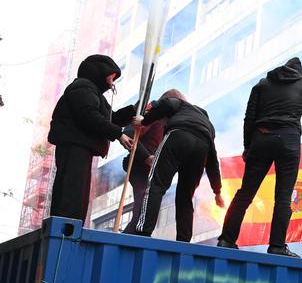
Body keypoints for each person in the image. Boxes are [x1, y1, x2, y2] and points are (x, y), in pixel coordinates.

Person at [218, 57, 302, 257]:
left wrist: (248, 146)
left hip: (261, 138)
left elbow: (249, 118)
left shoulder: (262, 85)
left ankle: (226, 239)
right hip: (288, 140)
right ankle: (277, 246)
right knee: (283, 196)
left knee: (246, 193)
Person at [47, 54, 134, 221]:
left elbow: (111, 118)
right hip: (75, 145)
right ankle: (66, 228)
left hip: (80, 145)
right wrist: (119, 134)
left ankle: (69, 226)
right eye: (111, 75)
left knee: (76, 192)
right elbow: (89, 115)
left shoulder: (91, 92)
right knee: (72, 191)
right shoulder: (83, 87)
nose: (112, 80)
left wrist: (134, 110)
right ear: (100, 72)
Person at [131, 90, 224, 241]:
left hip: (178, 136)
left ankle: (143, 232)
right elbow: (213, 160)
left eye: (161, 122)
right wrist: (217, 192)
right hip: (202, 148)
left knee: (156, 185)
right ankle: (184, 240)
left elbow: (167, 103)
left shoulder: (179, 104)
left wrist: (144, 121)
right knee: (185, 197)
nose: (162, 124)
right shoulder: (208, 125)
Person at [121, 107, 165, 235]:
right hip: (140, 168)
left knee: (145, 210)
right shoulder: (151, 112)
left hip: (150, 170)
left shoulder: (165, 120)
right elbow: (130, 134)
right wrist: (146, 156)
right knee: (142, 210)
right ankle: (130, 241)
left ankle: (135, 238)